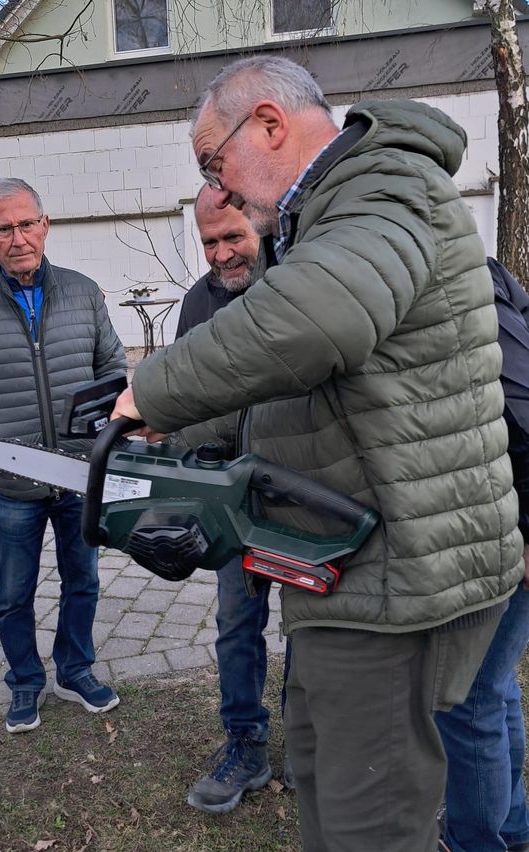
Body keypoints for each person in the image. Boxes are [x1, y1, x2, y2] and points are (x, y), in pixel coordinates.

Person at [111, 55, 523, 852]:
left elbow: (312, 323)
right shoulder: (323, 217)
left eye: (215, 163)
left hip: (399, 579)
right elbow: (292, 385)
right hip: (349, 568)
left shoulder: (384, 188)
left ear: (268, 124)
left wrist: (152, 390)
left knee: (370, 820)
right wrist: (169, 434)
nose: (222, 189)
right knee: (320, 779)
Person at [0, 177, 126, 734]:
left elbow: (113, 368)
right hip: (13, 482)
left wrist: (106, 431)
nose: (17, 238)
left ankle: (75, 669)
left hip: (80, 474)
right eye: (3, 228)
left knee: (82, 580)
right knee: (14, 593)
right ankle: (24, 680)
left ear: (45, 225)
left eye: (26, 224)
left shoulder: (84, 293)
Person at [170, 188, 276, 813]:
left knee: (315, 633)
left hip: (304, 492)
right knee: (237, 626)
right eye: (209, 241)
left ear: (261, 223)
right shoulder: (199, 301)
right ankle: (245, 743)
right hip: (232, 499)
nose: (221, 254)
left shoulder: (297, 284)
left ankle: (313, 743)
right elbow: (186, 396)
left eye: (233, 237)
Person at [435, 257, 529, 852]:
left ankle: (474, 841)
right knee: (492, 688)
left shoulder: (460, 281)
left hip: (512, 528)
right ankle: (510, 828)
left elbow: (523, 399)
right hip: (499, 521)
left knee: (468, 696)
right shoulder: (473, 274)